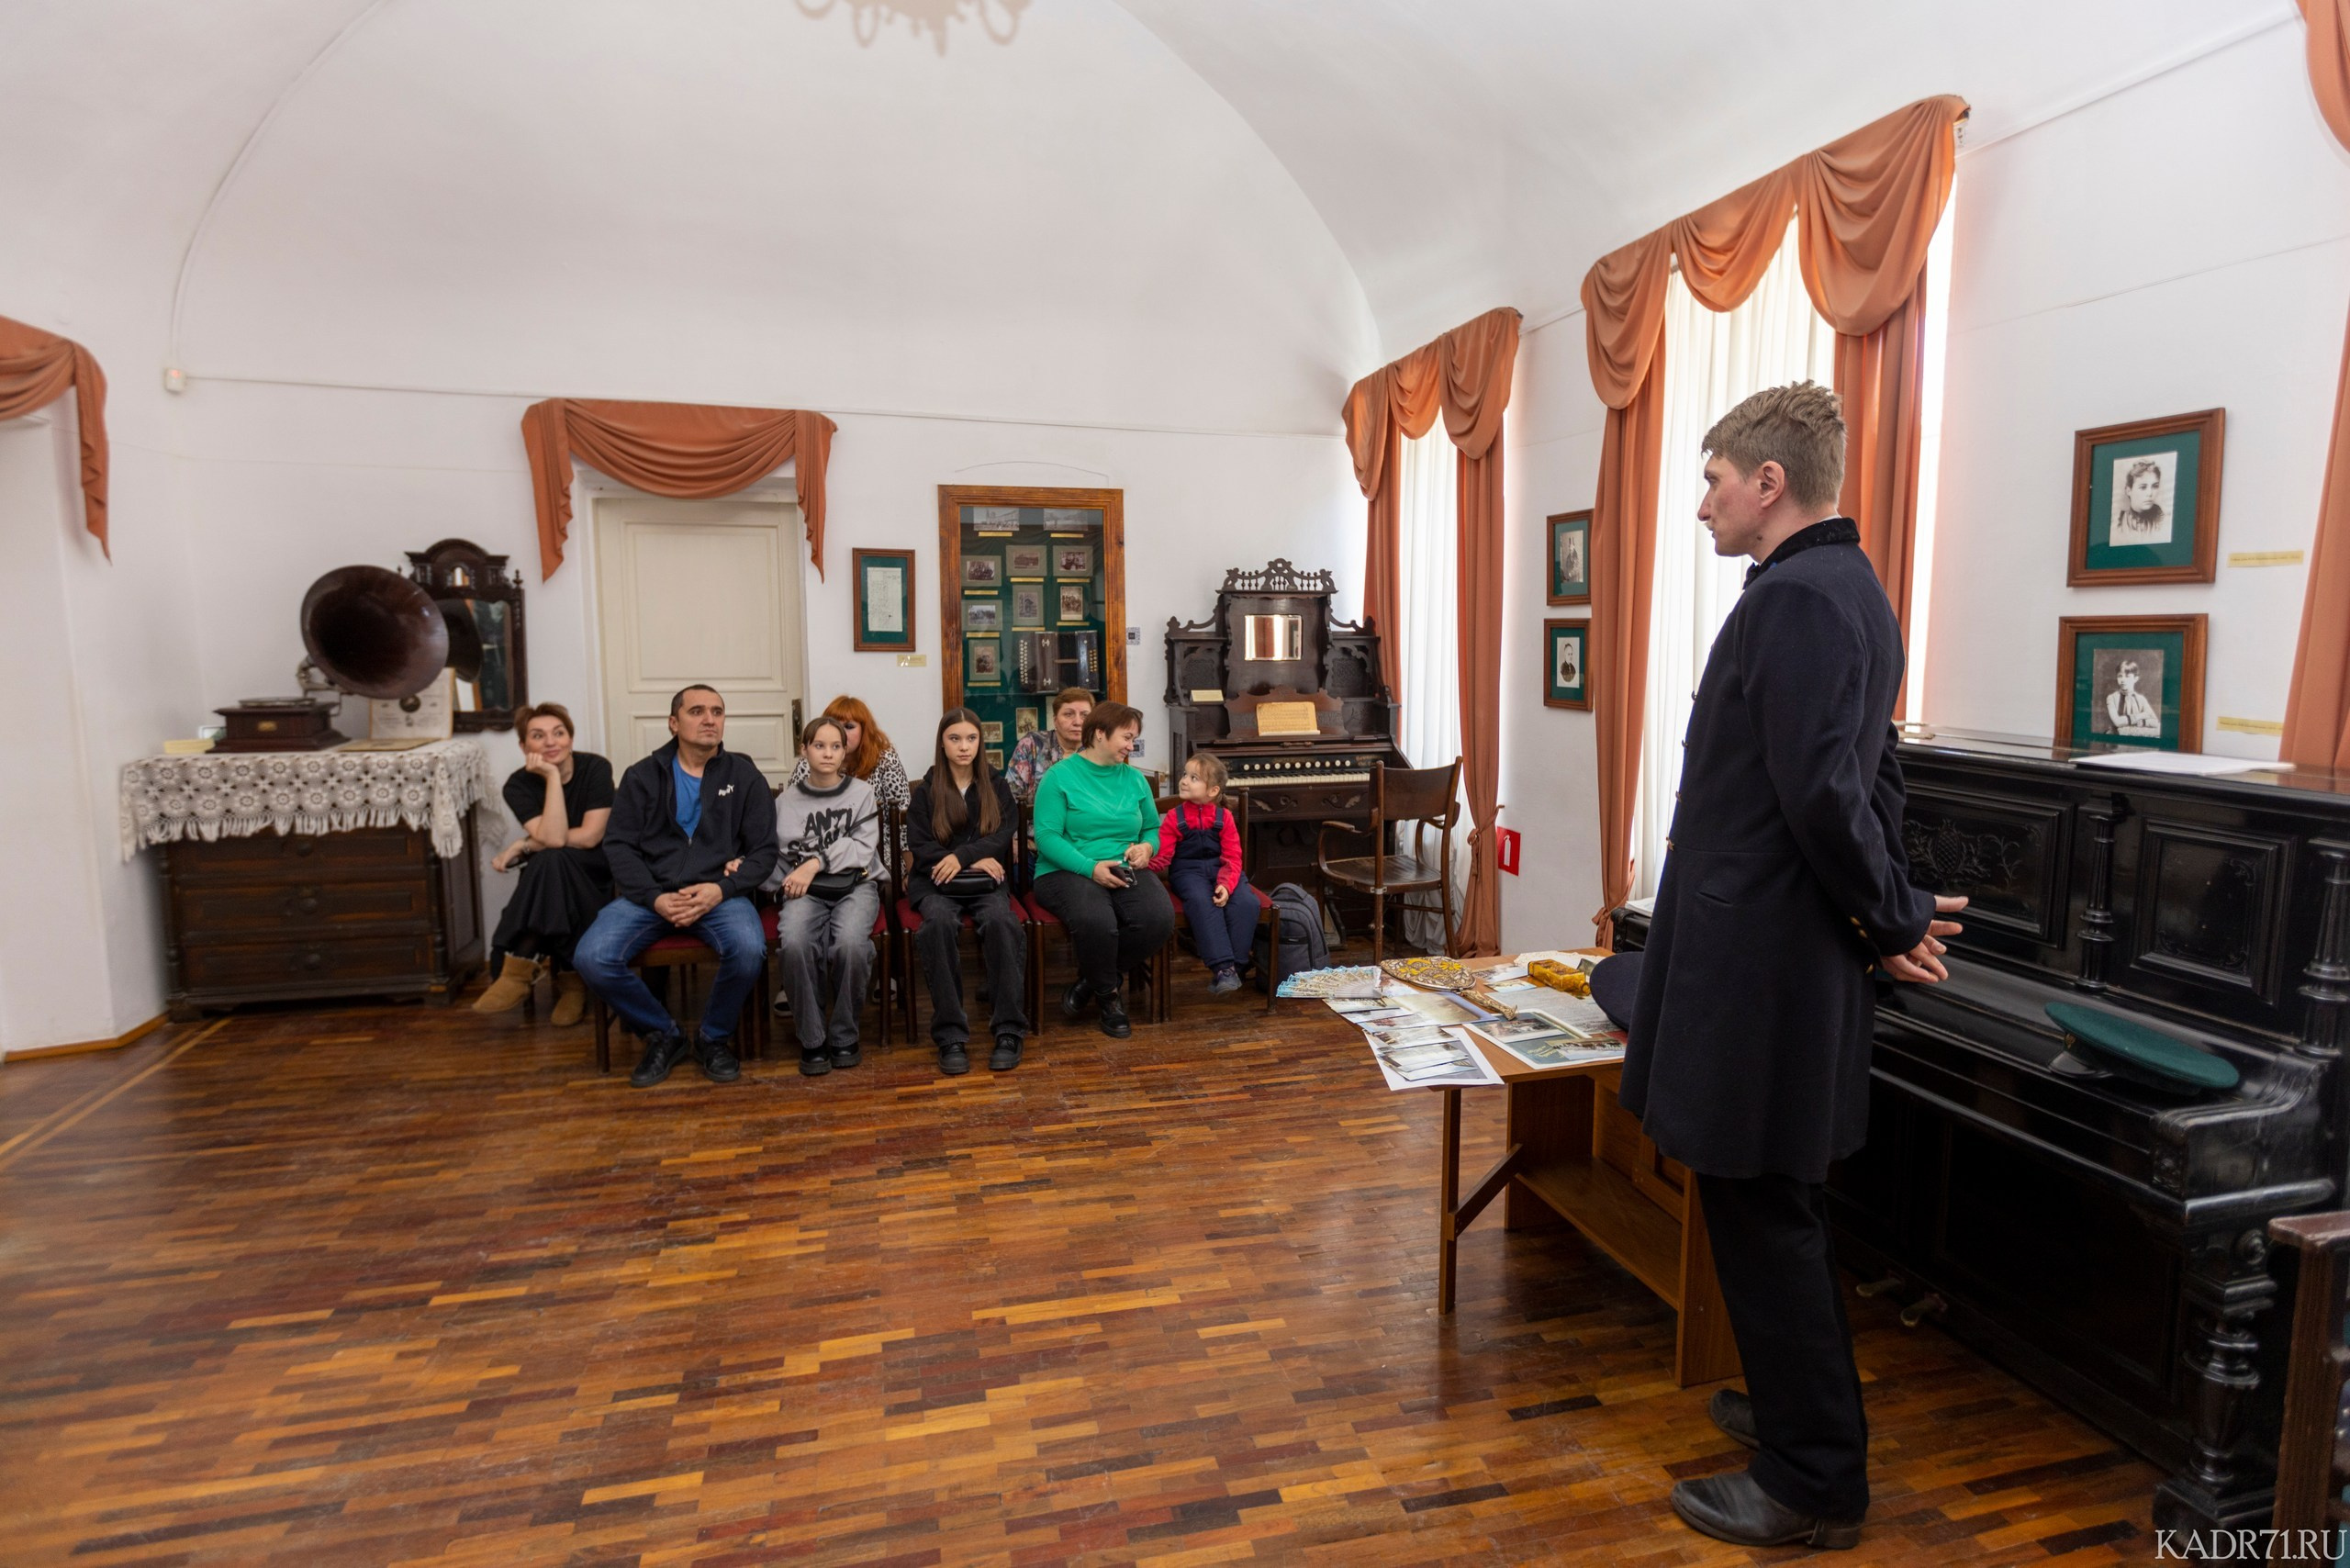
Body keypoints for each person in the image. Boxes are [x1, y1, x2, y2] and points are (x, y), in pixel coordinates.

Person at [1621, 382, 1966, 1551]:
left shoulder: (1801, 601)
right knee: (1769, 1203)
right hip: (1772, 947)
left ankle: (1814, 1476)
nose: (1702, 504)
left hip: (1760, 963)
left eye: (1714, 480)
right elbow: (1873, 781)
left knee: (1766, 1208)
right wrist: (1895, 910)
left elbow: (1829, 794)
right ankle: (1788, 1407)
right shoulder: (1844, 591)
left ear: (1770, 484)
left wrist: (1888, 915)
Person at [572, 684, 778, 1089]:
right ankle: (664, 1034)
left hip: (718, 895)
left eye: (717, 712)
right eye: (697, 711)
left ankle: (713, 1038)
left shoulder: (743, 775)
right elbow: (619, 847)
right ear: (673, 722)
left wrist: (722, 889)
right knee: (592, 957)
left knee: (750, 950)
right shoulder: (641, 777)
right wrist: (654, 897)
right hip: (649, 896)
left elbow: (764, 851)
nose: (709, 719)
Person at [1029, 701, 1173, 1038]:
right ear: (1098, 734)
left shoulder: (1135, 780)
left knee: (1158, 918)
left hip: (1124, 866)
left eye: (1134, 739)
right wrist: (1089, 867)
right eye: (1126, 737)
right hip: (1065, 869)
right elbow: (1047, 837)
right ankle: (1109, 998)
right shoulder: (1059, 776)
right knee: (1097, 920)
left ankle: (1090, 982)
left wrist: (1147, 848)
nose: (1131, 746)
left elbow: (1152, 829)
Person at [905, 709, 1029, 1074]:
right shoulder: (925, 791)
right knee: (938, 927)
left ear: (980, 742)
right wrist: (970, 859)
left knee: (1002, 923)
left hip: (984, 882)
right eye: (955, 739)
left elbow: (1003, 834)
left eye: (971, 738)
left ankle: (1008, 1029)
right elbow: (921, 846)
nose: (964, 747)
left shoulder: (997, 786)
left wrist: (962, 858)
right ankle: (950, 1036)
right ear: (942, 743)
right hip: (935, 883)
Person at [476, 702, 613, 1025]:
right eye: (538, 736)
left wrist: (524, 844)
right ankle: (572, 981)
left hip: (598, 873)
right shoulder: (518, 784)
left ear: (570, 738)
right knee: (553, 860)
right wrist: (552, 777)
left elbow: (592, 838)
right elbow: (553, 839)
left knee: (551, 859)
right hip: (557, 879)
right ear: (524, 747)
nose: (551, 742)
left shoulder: (595, 768)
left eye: (559, 733)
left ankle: (520, 964)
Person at [767, 715, 887, 1076]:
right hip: (805, 891)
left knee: (851, 945)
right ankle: (813, 1037)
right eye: (819, 746)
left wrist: (815, 861)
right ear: (804, 750)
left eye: (836, 746)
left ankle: (844, 1033)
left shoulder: (862, 793)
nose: (828, 753)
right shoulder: (785, 802)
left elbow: (862, 849)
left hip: (857, 885)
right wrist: (780, 886)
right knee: (797, 943)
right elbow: (778, 858)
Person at [1147, 753, 1261, 995]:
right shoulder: (1174, 818)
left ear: (1212, 790)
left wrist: (1226, 886)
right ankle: (1222, 968)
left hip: (1225, 871)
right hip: (1188, 873)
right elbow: (1163, 856)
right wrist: (1141, 863)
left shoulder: (1225, 817)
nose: (1185, 781)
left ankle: (1237, 967)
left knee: (1247, 902)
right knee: (1201, 902)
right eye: (1185, 775)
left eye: (1194, 778)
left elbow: (1232, 857)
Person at [785, 695, 911, 810]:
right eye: (835, 726)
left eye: (849, 727)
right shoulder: (812, 758)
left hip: (875, 833)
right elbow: (792, 805)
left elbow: (902, 814)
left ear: (864, 730)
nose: (841, 733)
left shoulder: (885, 759)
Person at [1004, 687, 1093, 802]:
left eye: (1085, 715)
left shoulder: (1098, 749)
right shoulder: (1032, 744)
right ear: (1055, 720)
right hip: (1036, 819)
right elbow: (1010, 797)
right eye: (1068, 714)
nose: (1077, 722)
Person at [2109, 457, 2169, 543]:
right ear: (2128, 490)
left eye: (2155, 486)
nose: (2150, 493)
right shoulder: (2118, 520)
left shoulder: (2162, 519)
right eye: (2143, 487)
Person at [2104, 658, 2160, 736]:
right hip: (2117, 736)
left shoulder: (2141, 699)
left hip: (2137, 735)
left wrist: (2144, 722)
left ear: (2135, 679)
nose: (2123, 680)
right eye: (2120, 676)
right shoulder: (2112, 698)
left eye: (2127, 676)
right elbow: (2117, 722)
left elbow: (2155, 722)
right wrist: (2142, 715)